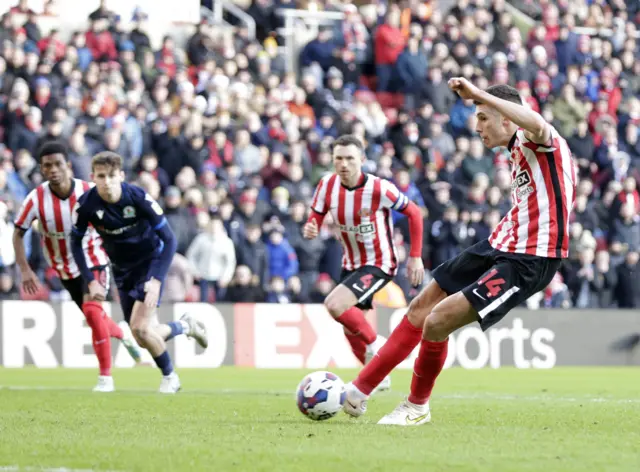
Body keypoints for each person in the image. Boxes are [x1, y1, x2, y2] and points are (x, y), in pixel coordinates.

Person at [343, 79, 576, 424]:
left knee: (437, 322)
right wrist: (484, 103)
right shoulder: (515, 149)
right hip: (501, 243)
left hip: (531, 258)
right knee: (422, 306)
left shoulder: (539, 139)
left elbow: (538, 123)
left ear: (507, 119)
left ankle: (416, 407)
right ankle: (358, 391)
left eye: (483, 118)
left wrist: (480, 95)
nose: (477, 126)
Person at [70, 152, 208, 394]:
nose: (107, 181)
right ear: (93, 178)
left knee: (140, 329)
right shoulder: (86, 205)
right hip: (122, 271)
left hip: (150, 264)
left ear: (121, 176)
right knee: (143, 334)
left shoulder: (138, 198)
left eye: (112, 176)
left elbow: (170, 240)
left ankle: (171, 378)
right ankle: (185, 327)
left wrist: (155, 280)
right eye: (101, 176)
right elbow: (75, 243)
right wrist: (90, 280)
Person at [12, 141, 141, 392]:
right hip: (64, 269)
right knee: (96, 319)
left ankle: (105, 379)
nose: (53, 169)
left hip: (94, 261)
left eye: (58, 164)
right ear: (41, 169)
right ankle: (122, 334)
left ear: (68, 165)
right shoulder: (36, 199)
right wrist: (25, 269)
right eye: (47, 166)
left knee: (93, 313)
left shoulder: (89, 191)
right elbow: (17, 234)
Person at [303, 134, 424, 392]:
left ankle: (375, 345)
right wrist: (312, 224)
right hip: (351, 262)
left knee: (334, 304)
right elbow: (317, 212)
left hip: (379, 262)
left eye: (350, 158)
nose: (344, 164)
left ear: (363, 160)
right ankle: (375, 376)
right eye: (339, 159)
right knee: (350, 329)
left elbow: (414, 212)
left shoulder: (379, 188)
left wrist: (415, 256)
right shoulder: (327, 185)